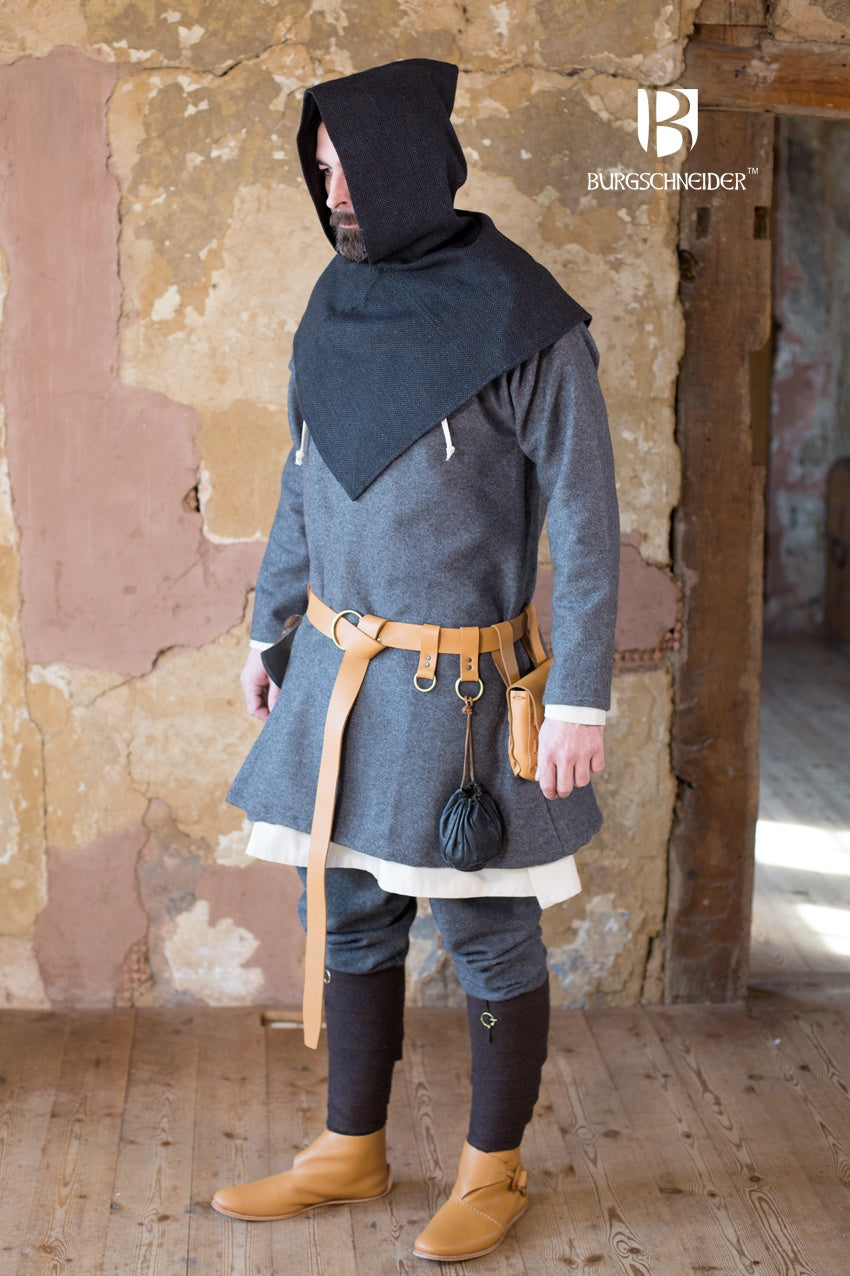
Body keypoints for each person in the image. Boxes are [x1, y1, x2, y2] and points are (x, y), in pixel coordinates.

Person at [212, 58, 619, 1263]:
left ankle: (494, 1170)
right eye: (319, 170)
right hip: (338, 677)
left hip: (463, 695)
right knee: (345, 910)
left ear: (404, 165)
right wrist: (268, 628)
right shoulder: (332, 304)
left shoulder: (525, 320)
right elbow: (302, 483)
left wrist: (580, 697)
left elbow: (588, 521)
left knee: (486, 929)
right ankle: (352, 1146)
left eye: (348, 169)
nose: (332, 193)